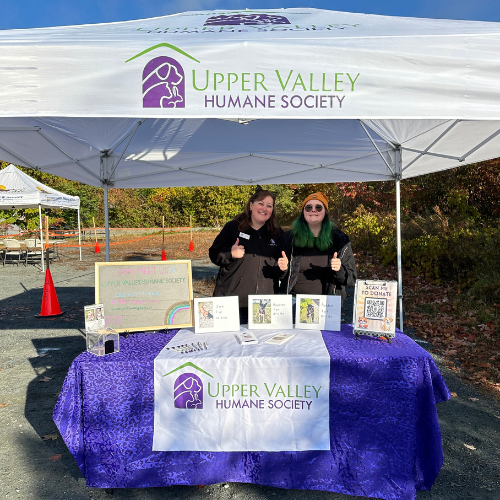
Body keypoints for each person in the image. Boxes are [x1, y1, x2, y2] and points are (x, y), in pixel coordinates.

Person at [209, 187, 283, 321]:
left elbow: (281, 270)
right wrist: (230, 253)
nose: (264, 208)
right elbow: (214, 254)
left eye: (269, 206)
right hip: (232, 303)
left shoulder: (277, 234)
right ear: (250, 205)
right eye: (260, 203)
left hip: (263, 304)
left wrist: (283, 267)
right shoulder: (233, 228)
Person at [278, 192, 356, 303]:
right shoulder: (289, 238)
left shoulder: (340, 240)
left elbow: (351, 279)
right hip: (292, 302)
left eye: (319, 207)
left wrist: (339, 270)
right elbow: (276, 275)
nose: (313, 210)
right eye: (308, 207)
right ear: (303, 212)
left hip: (326, 304)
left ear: (325, 212)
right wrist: (282, 268)